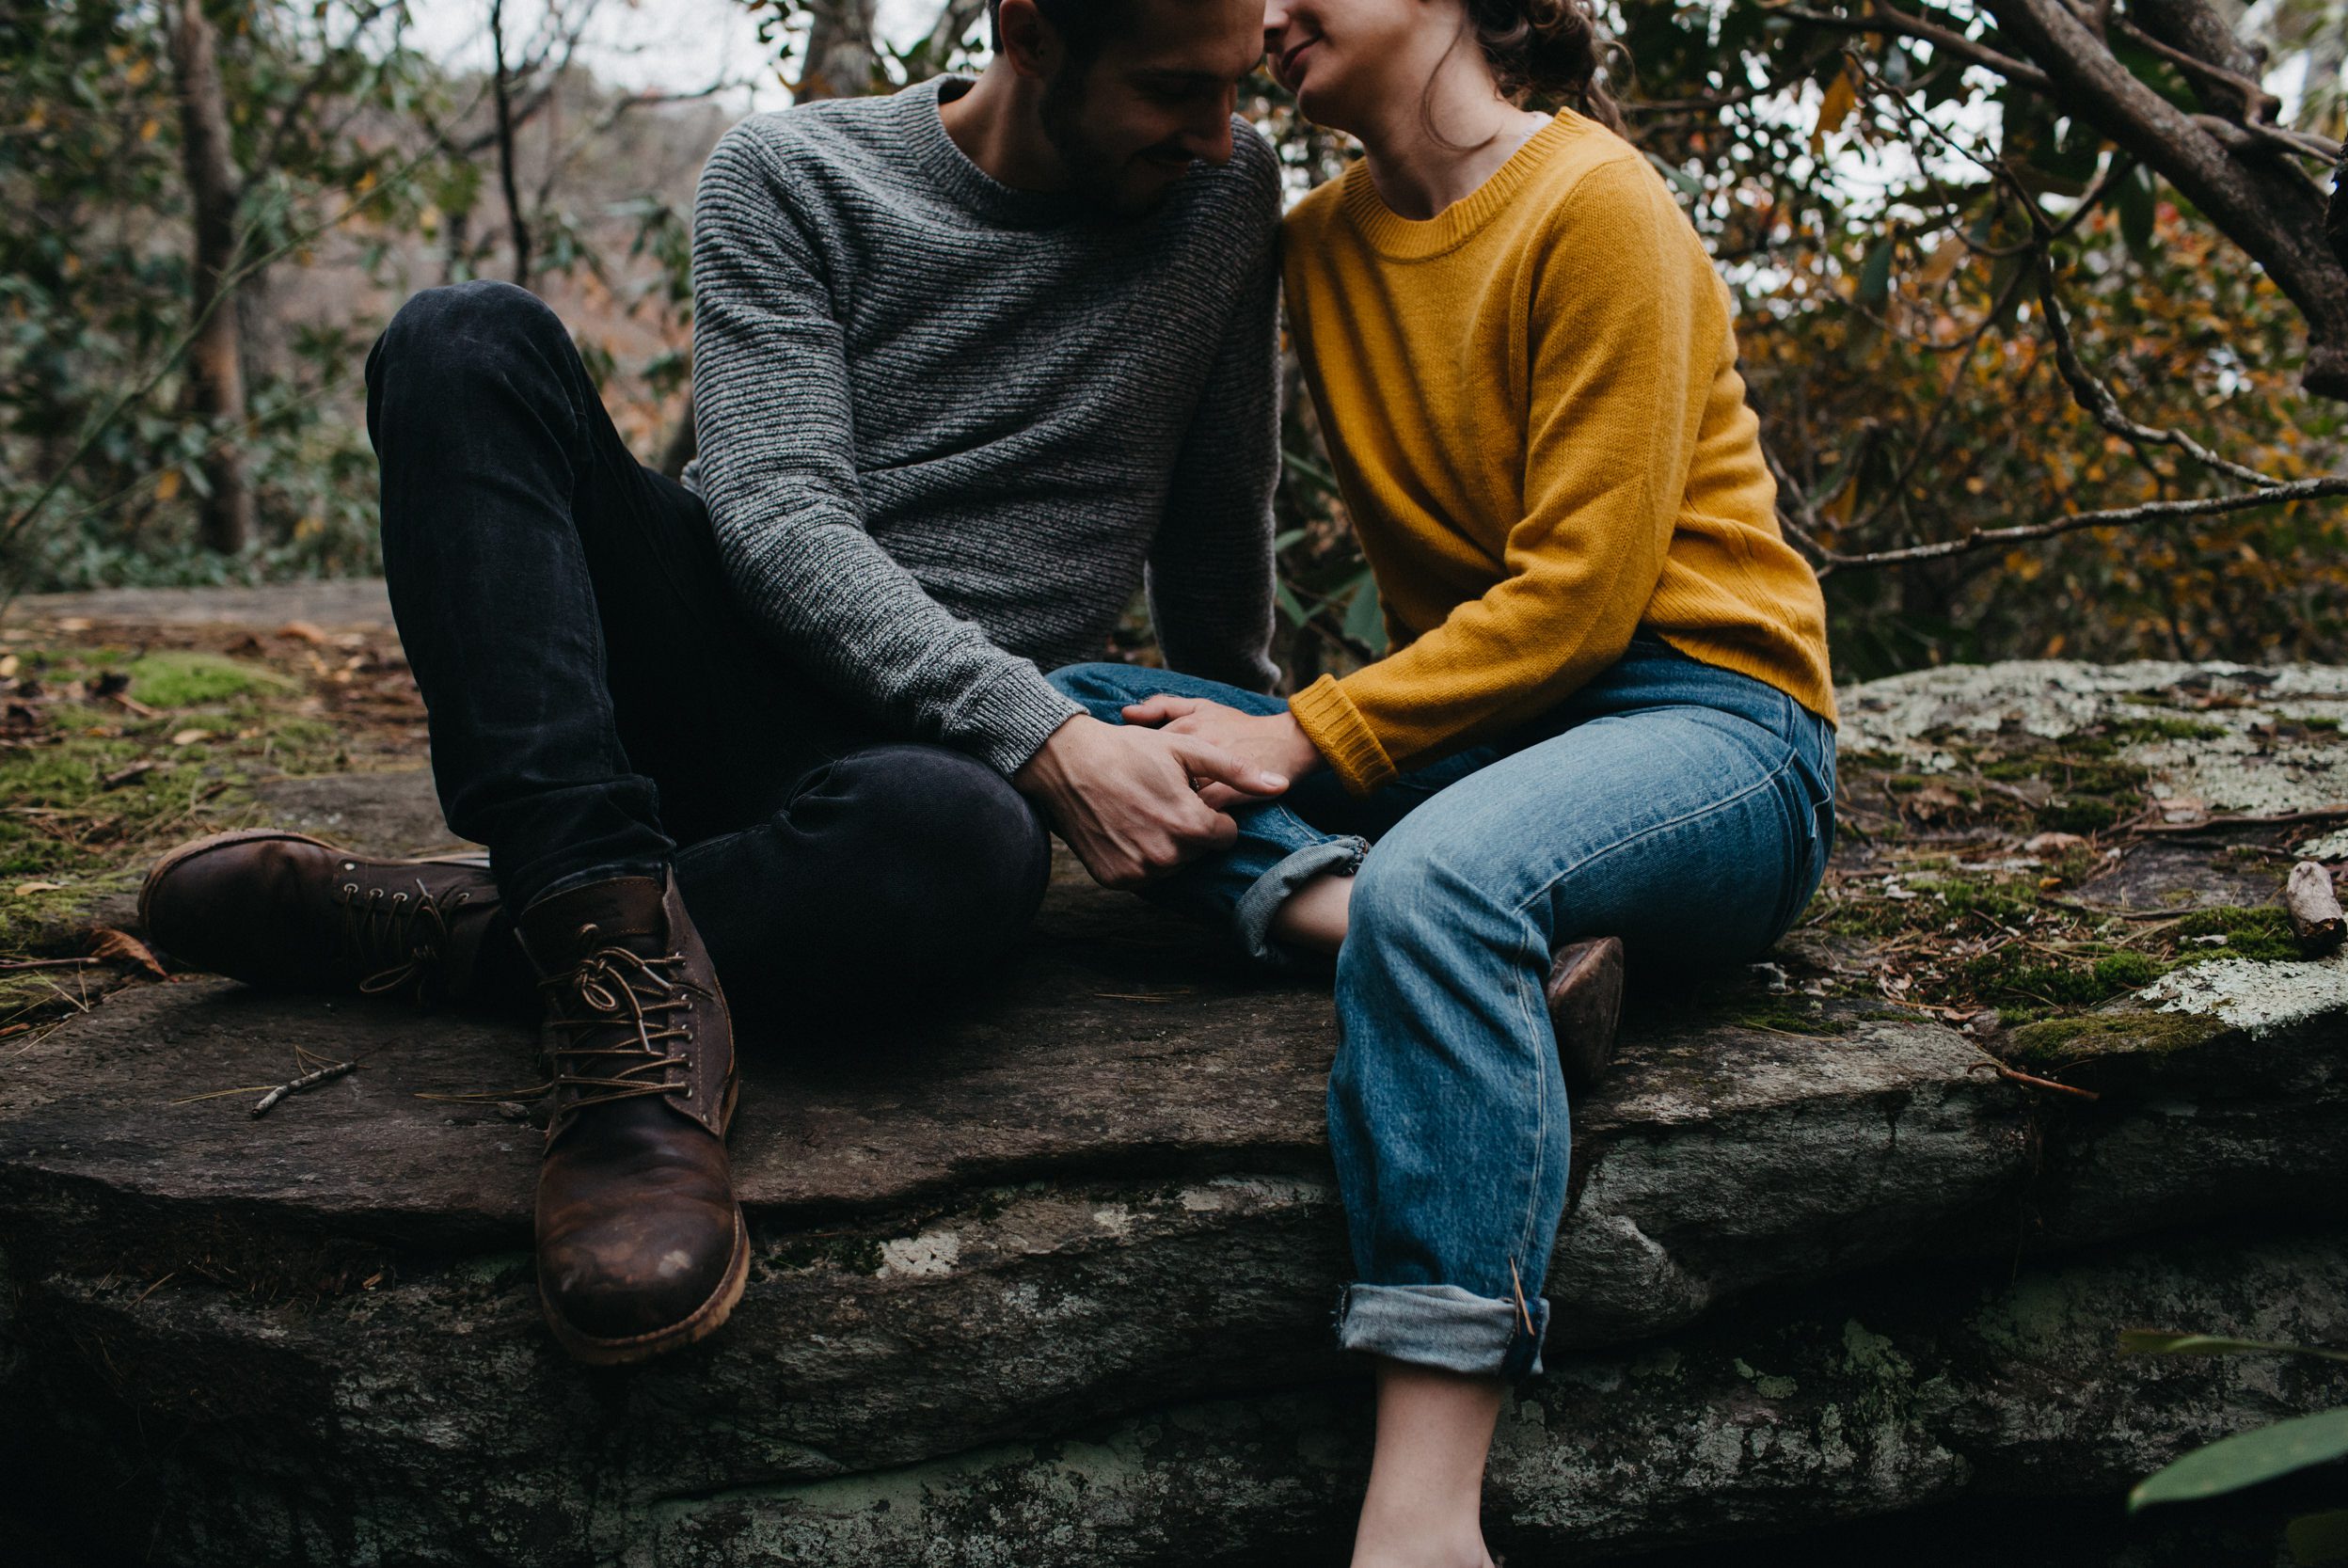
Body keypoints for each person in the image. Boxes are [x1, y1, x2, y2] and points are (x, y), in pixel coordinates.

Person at [136, 0, 1290, 1368]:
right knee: (463, 336)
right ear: (1031, 34)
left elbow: (1220, 521)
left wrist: (1258, 766)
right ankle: (620, 1014)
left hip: (914, 774)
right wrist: (1044, 734)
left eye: (1236, 91)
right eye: (1175, 94)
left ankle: (481, 929)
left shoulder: (1226, 192)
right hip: (725, 660)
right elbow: (779, 520)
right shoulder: (794, 173)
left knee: (961, 844)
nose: (1219, 138)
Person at [1048, 1, 1839, 1561]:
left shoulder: (1593, 201)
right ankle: (1379, 926)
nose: (1266, 14)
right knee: (1066, 707)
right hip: (1488, 749)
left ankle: (1424, 1515)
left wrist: (1302, 739)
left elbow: (1582, 596)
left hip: (1715, 727)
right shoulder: (1324, 242)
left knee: (1448, 876)